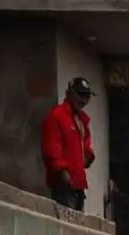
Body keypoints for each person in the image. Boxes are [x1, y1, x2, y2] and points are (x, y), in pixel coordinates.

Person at [41, 77, 96, 212]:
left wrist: (89, 157)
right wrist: (62, 171)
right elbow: (51, 147)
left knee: (78, 226)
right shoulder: (57, 116)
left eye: (86, 96)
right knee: (67, 223)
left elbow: (85, 146)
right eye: (80, 95)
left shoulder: (81, 120)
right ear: (69, 93)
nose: (83, 100)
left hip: (78, 183)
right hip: (64, 184)